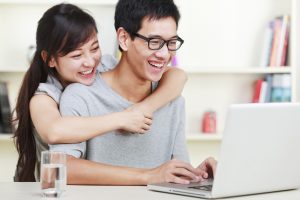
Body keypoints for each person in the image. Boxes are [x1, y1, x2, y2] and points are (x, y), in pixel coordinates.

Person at [12, 3, 188, 182]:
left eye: (95, 48)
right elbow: (54, 132)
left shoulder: (104, 66)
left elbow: (178, 76)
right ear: (49, 59)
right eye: (76, 55)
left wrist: (143, 108)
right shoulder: (46, 96)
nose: (89, 62)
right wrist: (122, 118)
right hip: (41, 184)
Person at [50, 0, 216, 185]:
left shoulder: (172, 100)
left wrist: (198, 175)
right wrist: (148, 176)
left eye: (171, 43)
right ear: (124, 39)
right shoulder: (80, 96)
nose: (164, 54)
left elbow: (176, 175)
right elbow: (62, 168)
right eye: (154, 42)